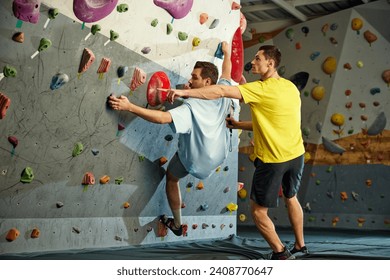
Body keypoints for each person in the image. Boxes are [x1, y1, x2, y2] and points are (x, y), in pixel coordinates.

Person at [166, 45, 307, 259]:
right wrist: (239, 124)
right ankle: (300, 245)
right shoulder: (290, 88)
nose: (254, 61)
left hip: (273, 159)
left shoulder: (260, 89)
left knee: (259, 212)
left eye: (258, 58)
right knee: (291, 197)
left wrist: (185, 92)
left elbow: (221, 90)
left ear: (270, 63)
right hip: (296, 154)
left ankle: (280, 253)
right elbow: (273, 120)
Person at [108, 42, 234, 236]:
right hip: (218, 156)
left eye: (194, 77)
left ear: (207, 82)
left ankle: (177, 223)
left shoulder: (191, 108)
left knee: (172, 177)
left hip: (195, 161)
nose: (190, 81)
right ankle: (176, 225)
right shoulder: (223, 92)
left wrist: (129, 107)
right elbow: (227, 71)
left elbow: (162, 118)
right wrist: (226, 52)